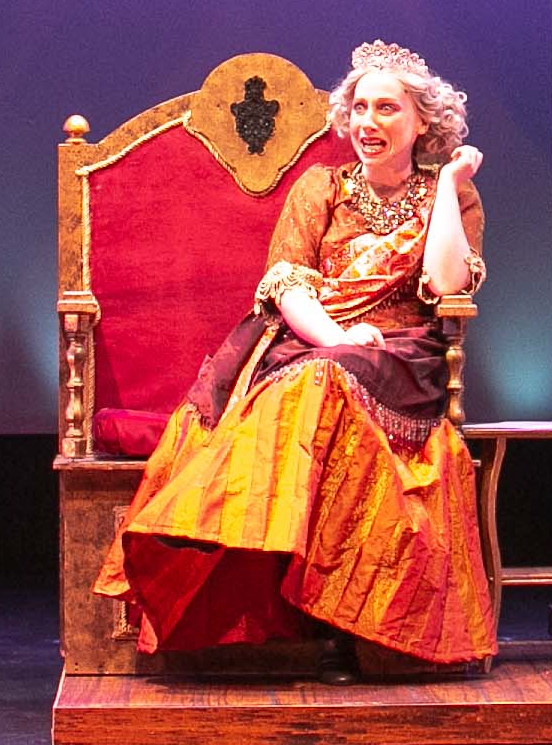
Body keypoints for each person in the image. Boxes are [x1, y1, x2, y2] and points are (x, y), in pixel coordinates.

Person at [95, 40, 499, 668]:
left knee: (325, 382)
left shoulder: (454, 197)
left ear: (424, 121)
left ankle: (359, 622)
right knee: (313, 381)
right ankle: (234, 552)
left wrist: (447, 183)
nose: (368, 122)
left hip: (402, 356)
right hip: (316, 340)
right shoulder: (320, 188)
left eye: (387, 108)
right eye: (359, 108)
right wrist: (335, 337)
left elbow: (447, 284)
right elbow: (287, 287)